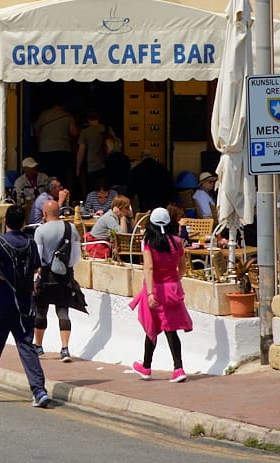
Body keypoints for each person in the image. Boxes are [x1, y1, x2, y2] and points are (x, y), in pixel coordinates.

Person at [0, 204, 52, 407]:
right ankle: (39, 391)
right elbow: (36, 267)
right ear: (23, 222)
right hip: (24, 303)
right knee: (26, 346)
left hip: (0, 303)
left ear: (6, 221)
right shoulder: (30, 243)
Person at [126, 207, 193, 382]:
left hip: (155, 288)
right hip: (172, 289)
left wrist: (149, 293)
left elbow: (149, 267)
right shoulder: (177, 241)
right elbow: (183, 266)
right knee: (170, 329)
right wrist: (174, 282)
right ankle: (169, 367)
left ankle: (153, 367)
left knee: (152, 328)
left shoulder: (149, 242)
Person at [31, 200, 85, 363]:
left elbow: (37, 257)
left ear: (45, 214)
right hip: (65, 277)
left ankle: (39, 346)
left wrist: (36, 277)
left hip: (46, 277)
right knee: (63, 312)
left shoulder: (40, 231)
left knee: (41, 311)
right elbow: (77, 256)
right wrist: (67, 269)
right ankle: (65, 348)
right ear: (59, 212)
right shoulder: (71, 228)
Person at [31, 102, 76, 186]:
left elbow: (36, 128)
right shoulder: (67, 116)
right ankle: (62, 195)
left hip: (45, 149)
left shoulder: (43, 114)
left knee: (47, 174)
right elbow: (73, 132)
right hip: (62, 149)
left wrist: (40, 141)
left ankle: (48, 194)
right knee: (62, 175)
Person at [75, 109, 117, 186]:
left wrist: (78, 169)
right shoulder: (107, 129)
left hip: (92, 165)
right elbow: (116, 145)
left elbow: (81, 152)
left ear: (88, 119)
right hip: (107, 164)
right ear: (99, 118)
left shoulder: (85, 132)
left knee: (93, 190)